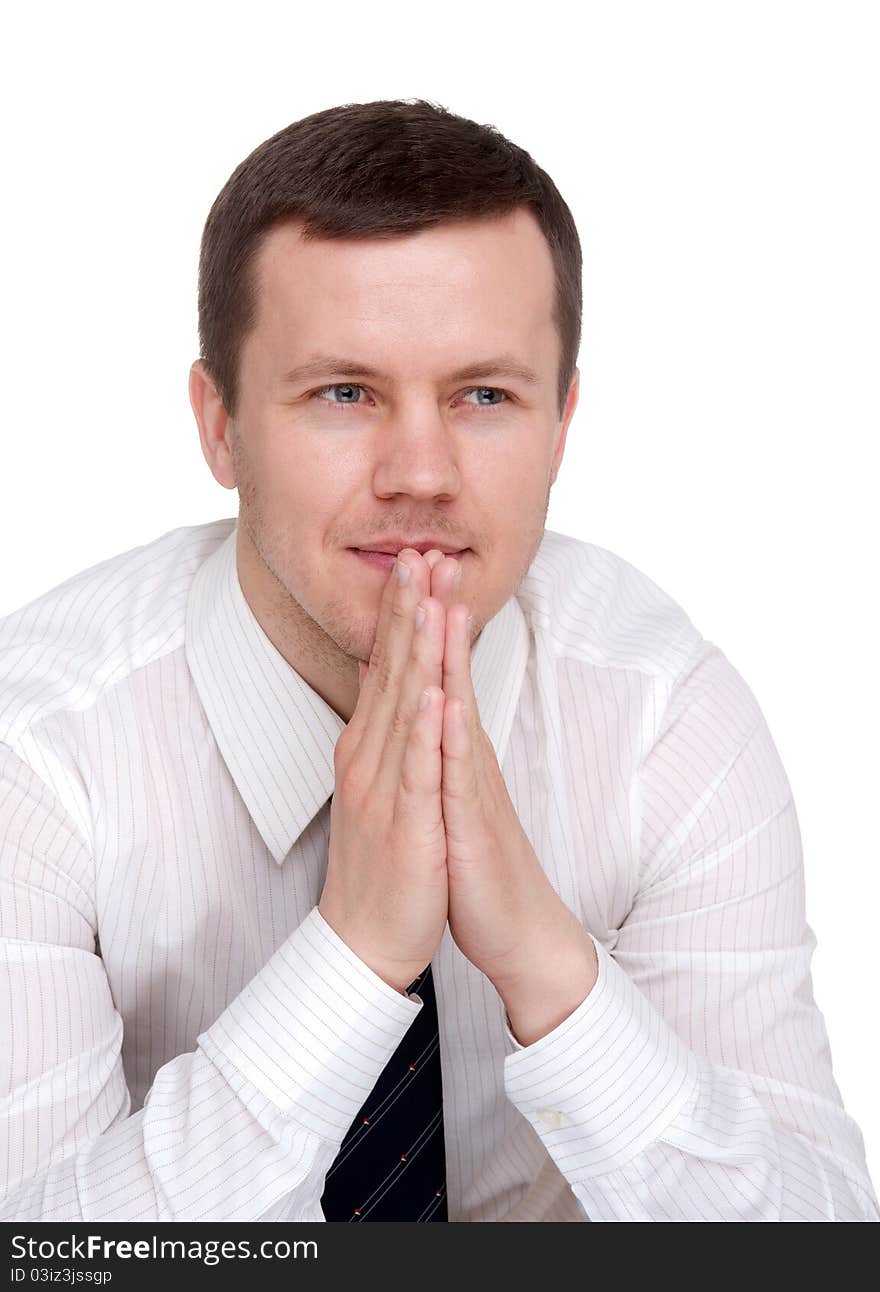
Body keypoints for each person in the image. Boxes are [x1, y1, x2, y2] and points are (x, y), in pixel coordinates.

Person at [0, 98, 876, 1224]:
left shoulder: (663, 720)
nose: (421, 472)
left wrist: (554, 971)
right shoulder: (36, 756)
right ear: (218, 426)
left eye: (483, 396)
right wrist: (353, 956)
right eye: (345, 393)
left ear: (561, 423)